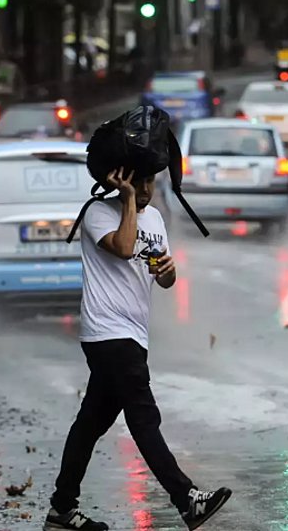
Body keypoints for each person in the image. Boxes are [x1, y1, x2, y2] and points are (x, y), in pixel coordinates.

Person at [46, 167, 232, 531]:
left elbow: (161, 276)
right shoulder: (98, 213)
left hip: (133, 334)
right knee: (144, 418)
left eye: (149, 182)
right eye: (139, 182)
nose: (146, 189)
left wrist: (167, 270)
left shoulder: (156, 218)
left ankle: (62, 510)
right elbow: (124, 247)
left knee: (90, 424)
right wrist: (129, 200)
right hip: (108, 334)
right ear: (123, 182)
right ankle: (187, 499)